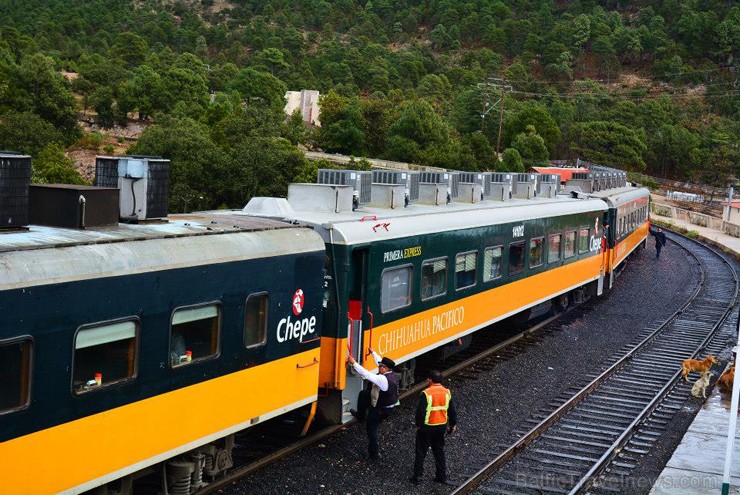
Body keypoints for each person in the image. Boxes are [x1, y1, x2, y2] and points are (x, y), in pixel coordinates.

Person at [347, 347, 399, 460]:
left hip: (381, 409)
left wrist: (354, 363)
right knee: (364, 394)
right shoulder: (390, 374)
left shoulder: (383, 379)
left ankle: (374, 454)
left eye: (382, 366)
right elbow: (379, 361)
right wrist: (373, 353)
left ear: (386, 369)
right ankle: (360, 416)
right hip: (386, 405)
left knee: (371, 428)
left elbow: (367, 375)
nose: (379, 367)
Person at [410, 370, 457, 485]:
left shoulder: (427, 393)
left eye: (428, 379)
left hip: (427, 427)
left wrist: (419, 425)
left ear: (430, 380)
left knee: (421, 451)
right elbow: (452, 410)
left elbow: (420, 412)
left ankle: (417, 476)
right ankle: (441, 476)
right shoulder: (447, 392)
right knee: (439, 451)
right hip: (441, 426)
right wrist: (452, 424)